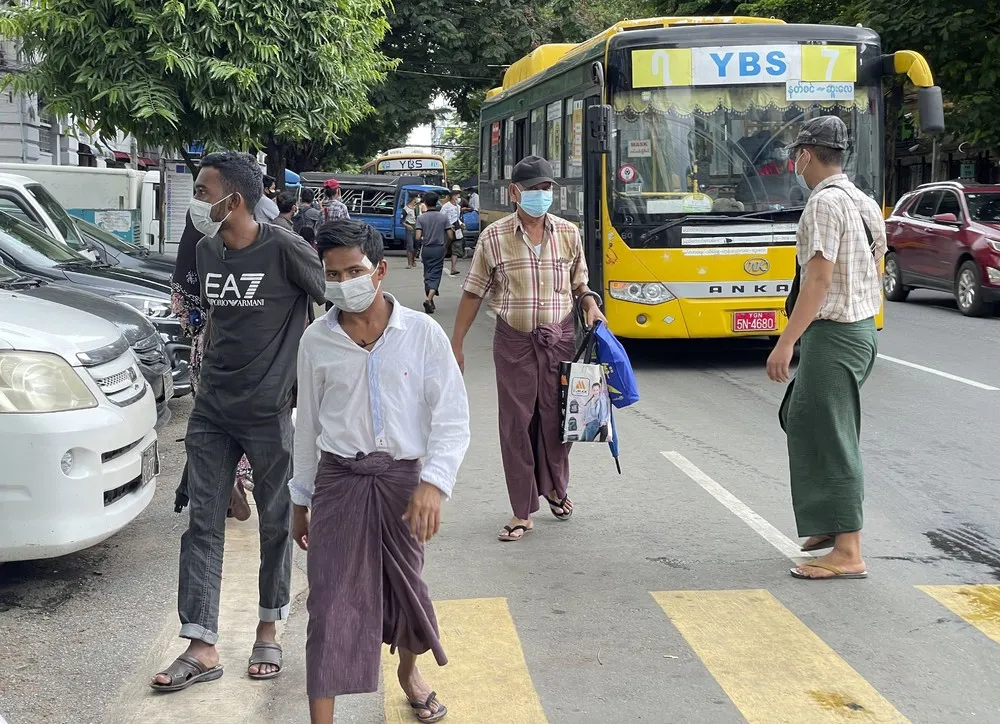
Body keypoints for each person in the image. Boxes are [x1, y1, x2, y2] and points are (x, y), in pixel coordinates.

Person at [152, 151, 326, 693]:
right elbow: (213, 321)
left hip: (269, 411)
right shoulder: (206, 249)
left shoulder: (286, 248)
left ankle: (268, 626)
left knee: (277, 524)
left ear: (237, 198)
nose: (197, 201)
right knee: (202, 524)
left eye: (204, 191)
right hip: (212, 409)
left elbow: (335, 303)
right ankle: (200, 645)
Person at [291, 219, 470, 724]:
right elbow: (306, 428)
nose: (344, 281)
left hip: (402, 483)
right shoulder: (315, 341)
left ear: (380, 271)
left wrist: (434, 482)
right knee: (328, 602)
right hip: (338, 482)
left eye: (355, 270)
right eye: (333, 273)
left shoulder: (423, 334)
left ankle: (409, 671)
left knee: (406, 586)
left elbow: (453, 415)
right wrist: (299, 501)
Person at [451, 156, 606, 542]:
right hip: (514, 343)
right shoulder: (494, 236)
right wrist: (455, 344)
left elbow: (580, 284)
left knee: (558, 420)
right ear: (514, 193)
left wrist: (591, 304)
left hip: (560, 340)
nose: (541, 195)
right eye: (534, 188)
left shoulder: (569, 233)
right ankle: (522, 510)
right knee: (517, 425)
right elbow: (473, 292)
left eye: (547, 188)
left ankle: (555, 488)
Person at [766, 116, 886, 581]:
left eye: (797, 154)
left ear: (808, 155)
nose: (795, 162)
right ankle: (826, 522)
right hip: (859, 331)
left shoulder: (823, 205)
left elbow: (817, 280)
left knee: (834, 438)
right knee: (799, 417)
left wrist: (786, 343)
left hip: (835, 334)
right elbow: (876, 264)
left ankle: (848, 550)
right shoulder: (863, 201)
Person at [170, 211, 254, 521]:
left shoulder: (195, 226)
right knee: (236, 419)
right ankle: (233, 485)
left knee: (208, 419)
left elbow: (181, 297)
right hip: (241, 348)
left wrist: (196, 329)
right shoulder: (248, 229)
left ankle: (222, 487)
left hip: (205, 345)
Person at [414, 191, 453, 316]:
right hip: (439, 248)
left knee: (427, 273)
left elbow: (418, 236)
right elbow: (450, 235)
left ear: (424, 202)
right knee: (436, 273)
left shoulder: (421, 218)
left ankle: (431, 301)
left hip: (426, 249)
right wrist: (445, 245)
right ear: (436, 202)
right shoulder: (443, 217)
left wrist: (425, 237)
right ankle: (429, 299)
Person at [440, 188, 464, 276]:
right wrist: (448, 226)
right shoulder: (446, 206)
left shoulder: (458, 207)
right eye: (458, 196)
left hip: (457, 228)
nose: (459, 197)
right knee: (444, 247)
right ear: (453, 196)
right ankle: (439, 265)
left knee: (456, 248)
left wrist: (461, 224)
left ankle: (453, 268)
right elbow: (442, 218)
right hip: (448, 229)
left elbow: (457, 218)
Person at [403, 194, 420, 269]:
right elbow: (402, 221)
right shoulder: (406, 209)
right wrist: (407, 226)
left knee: (416, 245)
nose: (417, 200)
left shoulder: (417, 208)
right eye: (416, 198)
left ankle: (413, 260)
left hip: (416, 227)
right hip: (409, 227)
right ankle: (409, 263)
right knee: (410, 246)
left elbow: (419, 218)